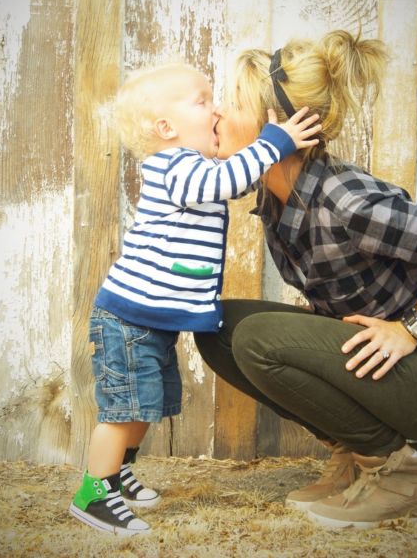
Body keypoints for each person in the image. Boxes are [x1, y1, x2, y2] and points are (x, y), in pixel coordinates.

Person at [69, 62, 321, 536]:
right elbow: (223, 183)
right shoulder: (173, 166)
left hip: (151, 322)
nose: (217, 109)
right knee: (124, 410)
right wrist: (275, 140)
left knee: (147, 404)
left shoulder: (197, 169)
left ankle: (118, 473)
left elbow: (240, 180)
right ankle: (92, 493)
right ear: (166, 128)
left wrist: (275, 157)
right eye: (203, 101)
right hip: (128, 317)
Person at [194, 30, 417, 529]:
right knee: (215, 326)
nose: (216, 113)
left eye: (231, 101)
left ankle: (408, 471)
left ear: (276, 126)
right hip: (384, 375)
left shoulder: (347, 201)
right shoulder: (274, 198)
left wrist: (411, 326)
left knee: (259, 339)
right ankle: (356, 454)